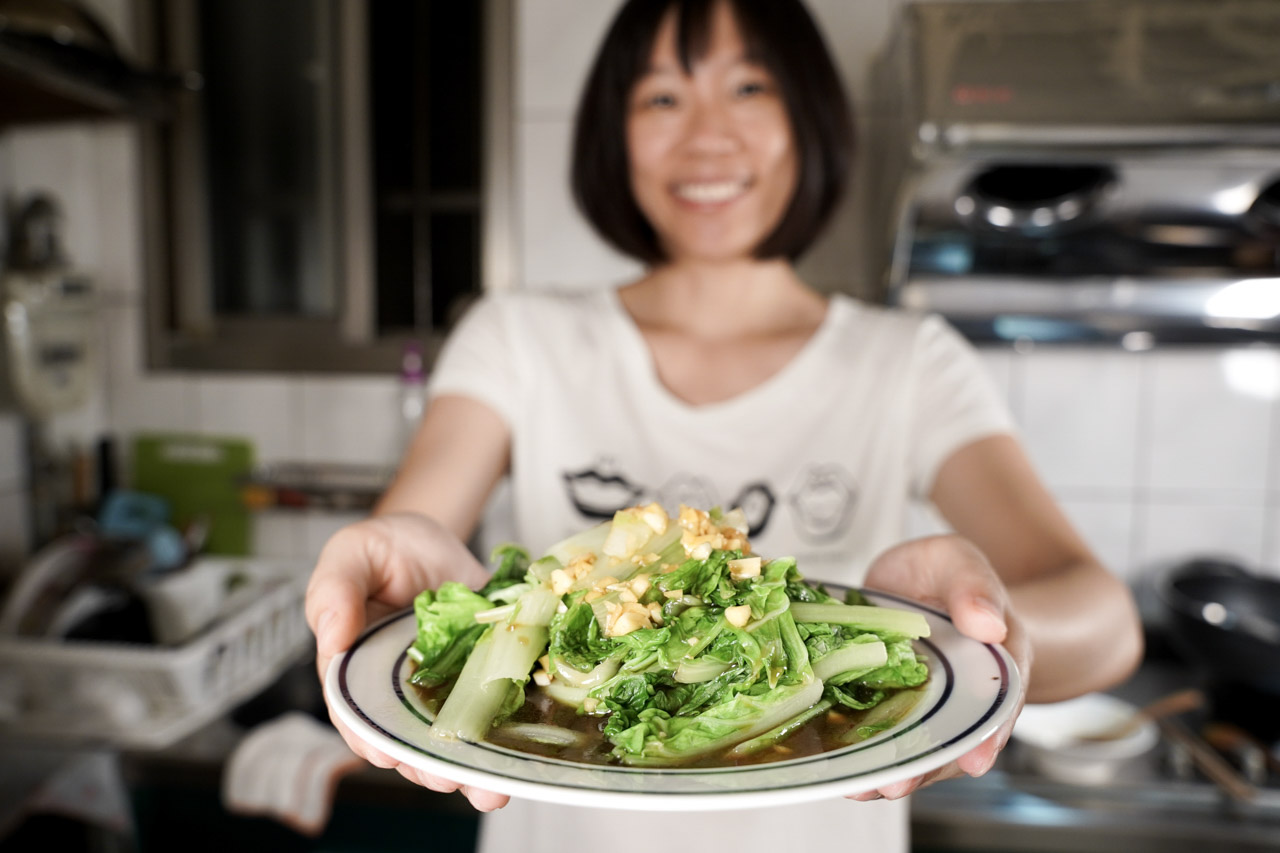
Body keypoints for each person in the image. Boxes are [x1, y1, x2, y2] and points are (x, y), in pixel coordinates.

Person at [305, 0, 1144, 850]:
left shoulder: (908, 361)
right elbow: (405, 564)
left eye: (748, 87)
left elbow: (1106, 621)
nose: (706, 136)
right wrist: (392, 567)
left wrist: (977, 637)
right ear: (613, 134)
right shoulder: (519, 339)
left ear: (809, 117)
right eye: (662, 98)